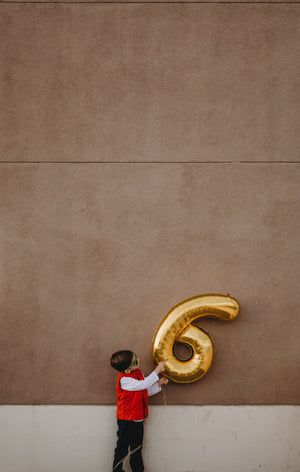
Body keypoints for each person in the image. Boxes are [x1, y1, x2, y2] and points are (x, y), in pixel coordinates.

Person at [111, 350, 168, 472]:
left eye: (136, 357)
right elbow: (143, 384)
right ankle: (117, 470)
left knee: (137, 448)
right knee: (122, 448)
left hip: (138, 418)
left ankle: (138, 469)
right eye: (135, 360)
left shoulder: (137, 373)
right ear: (127, 370)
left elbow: (144, 391)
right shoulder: (125, 380)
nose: (139, 359)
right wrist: (157, 370)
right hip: (126, 420)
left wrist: (158, 384)